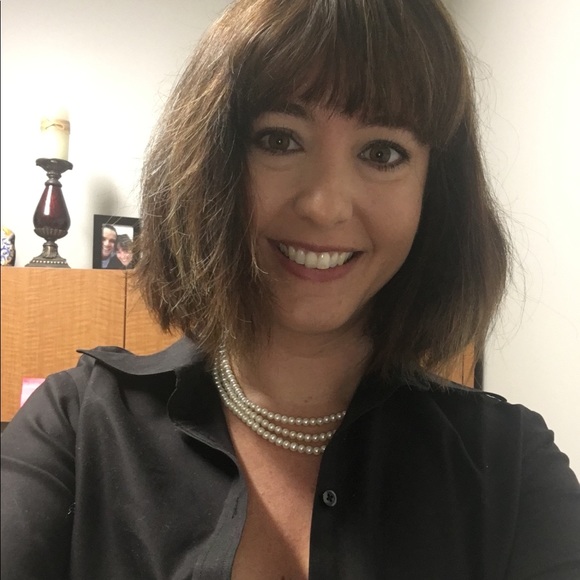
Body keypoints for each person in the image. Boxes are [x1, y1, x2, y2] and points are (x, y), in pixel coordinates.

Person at [2, 1, 579, 578]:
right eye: (280, 140)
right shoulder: (75, 428)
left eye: (382, 153)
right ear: (214, 161)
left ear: (436, 191)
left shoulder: (513, 469)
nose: (324, 205)